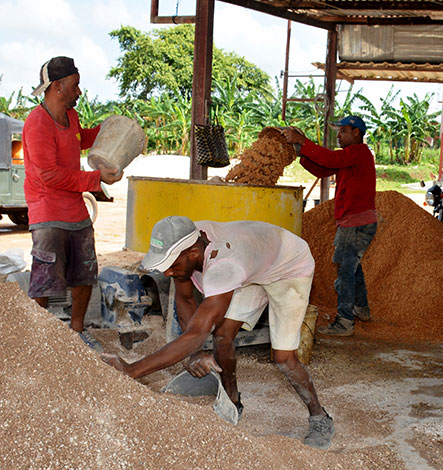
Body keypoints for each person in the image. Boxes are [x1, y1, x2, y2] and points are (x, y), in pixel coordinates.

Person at [102, 216, 334, 449]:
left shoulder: (223, 266)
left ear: (193, 253)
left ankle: (320, 417)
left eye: (171, 266)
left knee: (284, 358)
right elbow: (184, 299)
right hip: (254, 264)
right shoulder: (188, 241)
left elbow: (197, 333)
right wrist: (197, 353)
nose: (168, 273)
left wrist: (132, 370)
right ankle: (232, 402)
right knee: (222, 336)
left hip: (288, 267)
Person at [22, 56, 122, 350]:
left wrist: (109, 131)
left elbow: (81, 139)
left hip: (75, 212)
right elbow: (49, 175)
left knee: (84, 274)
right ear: (57, 86)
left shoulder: (72, 117)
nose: (79, 92)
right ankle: (37, 339)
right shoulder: (37, 123)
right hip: (48, 213)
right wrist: (95, 179)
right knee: (44, 280)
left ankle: (77, 332)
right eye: (75, 85)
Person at [282, 116, 377, 337]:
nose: (339, 135)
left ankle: (344, 321)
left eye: (343, 131)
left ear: (356, 133)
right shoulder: (349, 159)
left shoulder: (359, 152)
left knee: (345, 271)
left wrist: (302, 142)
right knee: (353, 268)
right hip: (354, 222)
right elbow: (323, 169)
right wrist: (301, 153)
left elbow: (330, 159)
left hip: (355, 223)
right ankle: (361, 309)